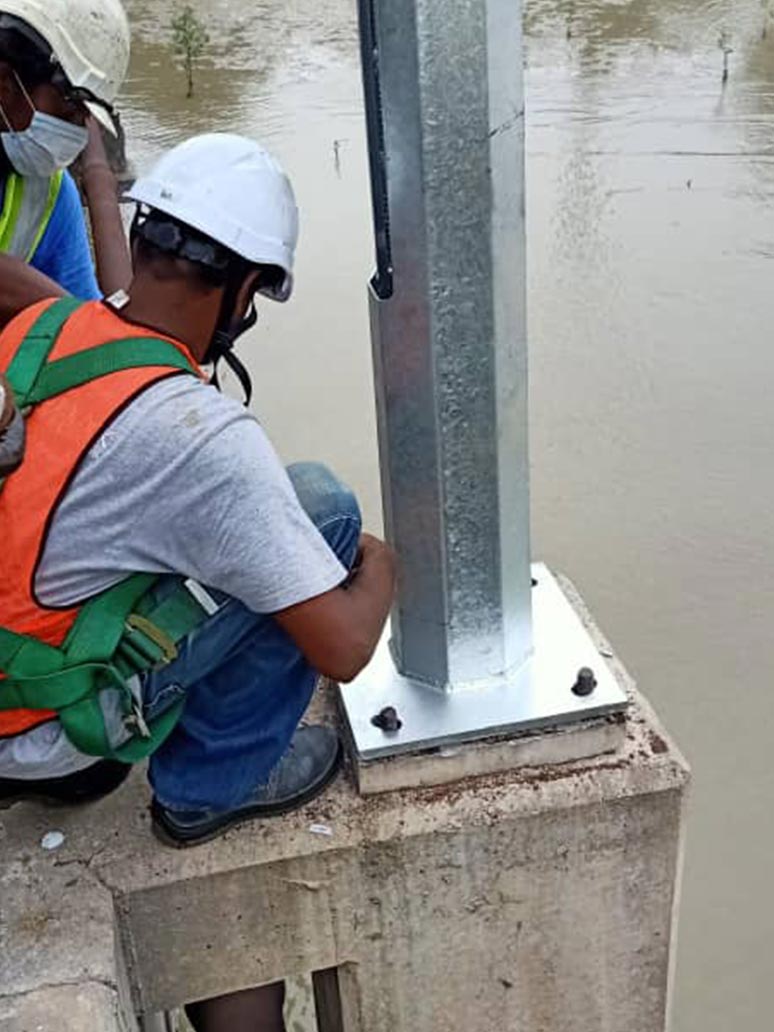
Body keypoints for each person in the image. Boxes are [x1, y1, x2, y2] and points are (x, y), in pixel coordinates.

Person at [0, 133, 396, 1031]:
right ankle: (213, 787)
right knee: (322, 510)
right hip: (47, 730)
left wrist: (98, 181)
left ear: (145, 241)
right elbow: (343, 648)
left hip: (11, 683)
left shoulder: (40, 331)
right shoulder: (206, 441)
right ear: (245, 292)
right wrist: (383, 563)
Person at [0, 0, 132, 297]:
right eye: (71, 111)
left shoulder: (48, 194)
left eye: (85, 118)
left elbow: (88, 314)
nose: (79, 132)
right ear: (5, 83)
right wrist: (55, 301)